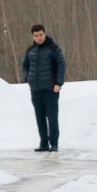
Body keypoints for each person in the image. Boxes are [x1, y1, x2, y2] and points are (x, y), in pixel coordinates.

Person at [21, 24, 65, 152]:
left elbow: (61, 65)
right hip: (35, 90)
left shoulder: (53, 48)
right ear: (33, 36)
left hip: (50, 89)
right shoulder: (30, 51)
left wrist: (58, 83)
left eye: (41, 35)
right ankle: (43, 143)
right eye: (36, 36)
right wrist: (27, 78)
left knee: (52, 117)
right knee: (40, 118)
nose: (39, 38)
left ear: (44, 34)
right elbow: (24, 66)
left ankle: (54, 143)